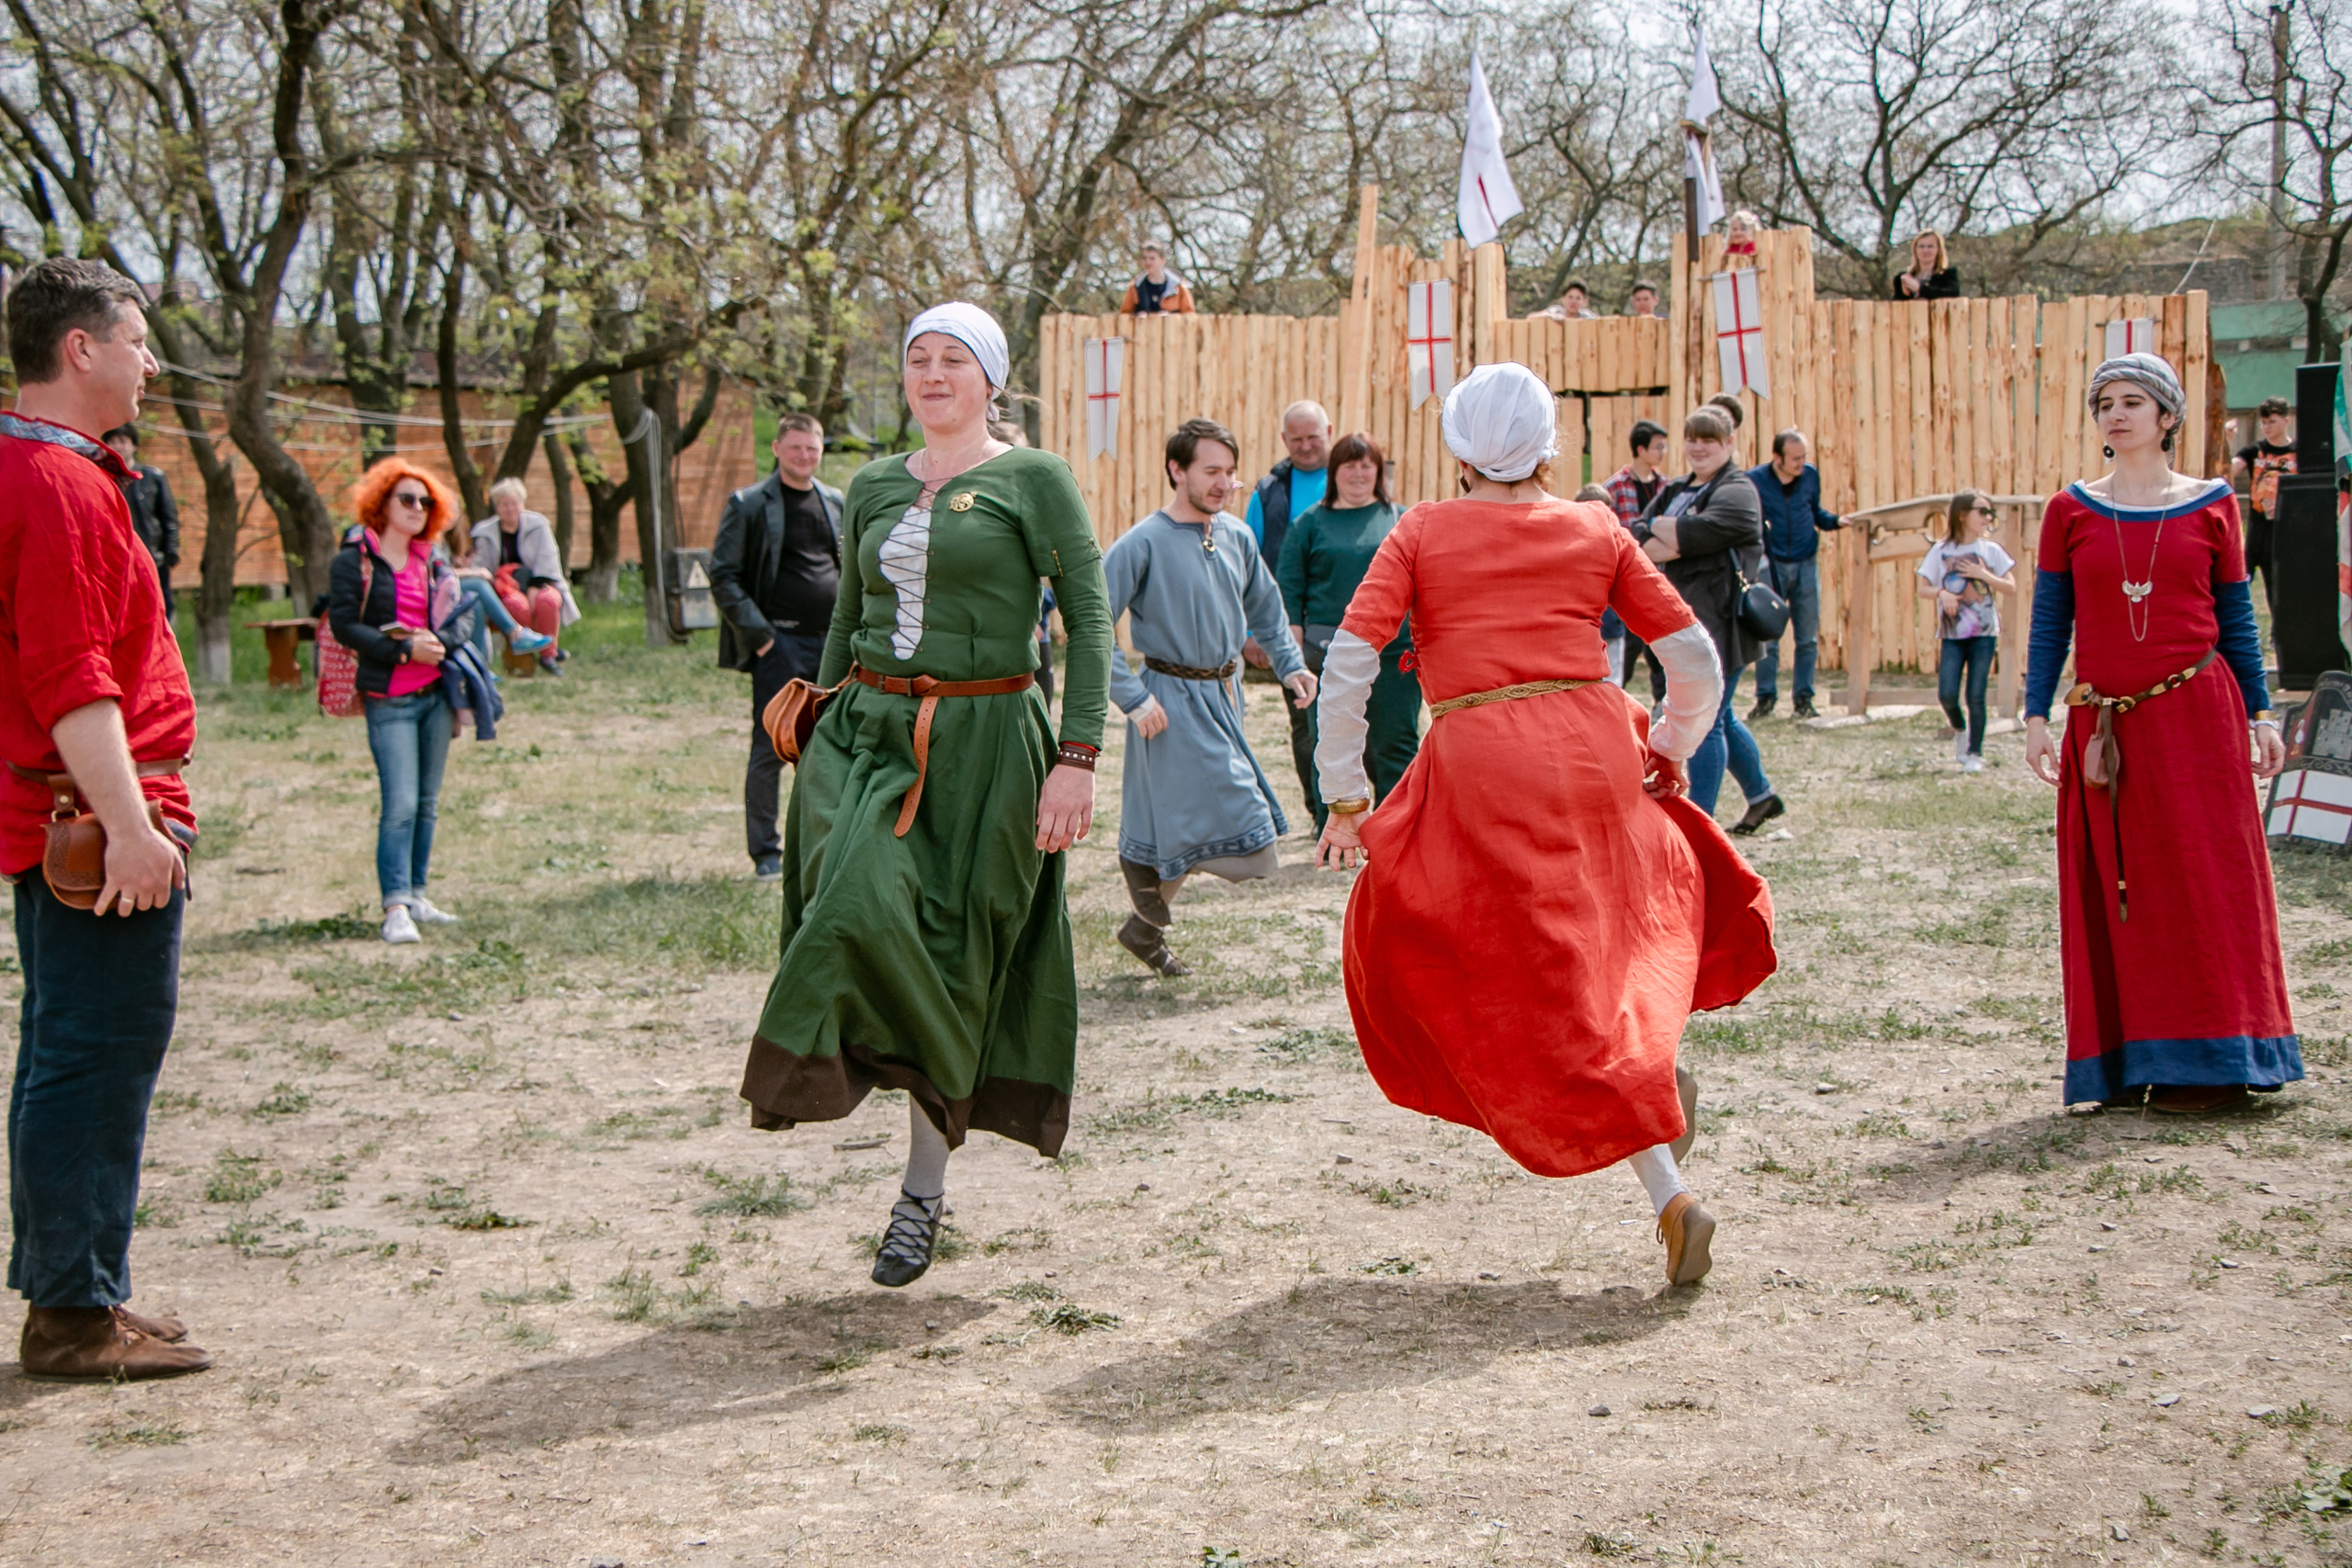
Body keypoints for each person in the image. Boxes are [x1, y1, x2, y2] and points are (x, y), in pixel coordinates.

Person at [1311, 361, 1777, 1288]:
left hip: (1485, 761)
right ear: (1547, 443)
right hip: (1598, 743)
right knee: (1612, 942)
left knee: (1540, 978)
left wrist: (1346, 797)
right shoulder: (1593, 525)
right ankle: (1656, 1086)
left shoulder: (1421, 530)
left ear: (1457, 448)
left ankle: (1667, 1186)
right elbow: (1691, 656)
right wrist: (1675, 744)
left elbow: (1349, 667)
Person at [737, 303, 1112, 1289]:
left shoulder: (1033, 479)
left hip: (988, 741)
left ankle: (920, 1192)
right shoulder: (866, 486)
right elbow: (847, 621)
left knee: (950, 954)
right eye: (917, 359)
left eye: (955, 359)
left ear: (990, 379)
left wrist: (1077, 756)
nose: (933, 373)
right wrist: (812, 729)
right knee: (860, 911)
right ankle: (852, 1093)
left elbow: (1086, 617)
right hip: (865, 735)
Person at [2, 258, 213, 1381]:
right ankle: (72, 1317)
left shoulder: (49, 469)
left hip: (81, 807)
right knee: (93, 1056)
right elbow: (72, 677)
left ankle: (80, 1289)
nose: (148, 363)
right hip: (94, 816)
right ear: (79, 349)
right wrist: (130, 826)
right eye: (136, 342)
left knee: (71, 1052)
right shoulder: (56, 484)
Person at [2023, 353, 2298, 1115]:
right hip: (2105, 722)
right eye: (2105, 402)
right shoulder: (2070, 510)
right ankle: (2124, 1062)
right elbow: (2052, 621)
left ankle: (2216, 1061)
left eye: (2134, 401)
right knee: (2123, 890)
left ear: (2168, 416)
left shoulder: (2214, 504)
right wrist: (2037, 715)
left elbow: (2238, 620)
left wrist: (2260, 712)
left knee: (2207, 884)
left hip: (2198, 717)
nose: (2116, 413)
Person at [1104, 418, 1316, 976]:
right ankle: (1140, 867)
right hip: (1167, 702)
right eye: (1211, 471)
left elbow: (1268, 613)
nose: (1223, 483)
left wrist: (1292, 668)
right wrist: (1131, 697)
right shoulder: (1143, 541)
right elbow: (1090, 624)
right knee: (1254, 847)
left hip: (1226, 695)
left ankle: (1144, 924)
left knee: (1189, 821)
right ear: (1178, 470)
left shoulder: (1236, 536)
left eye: (1229, 472)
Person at [328, 461, 482, 945]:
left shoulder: (433, 559)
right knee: (400, 804)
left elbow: (463, 614)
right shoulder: (356, 561)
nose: (419, 509)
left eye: (426, 502)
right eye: (408, 500)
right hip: (389, 699)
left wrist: (439, 641)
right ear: (382, 505)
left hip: (436, 696)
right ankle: (394, 907)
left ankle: (417, 894)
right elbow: (344, 625)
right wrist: (402, 649)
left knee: (428, 804)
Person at [1634, 407, 1781, 831]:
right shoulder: (1677, 487)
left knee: (1710, 721)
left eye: (1710, 440)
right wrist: (1675, 533)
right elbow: (1639, 536)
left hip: (1721, 623)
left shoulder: (1739, 490)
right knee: (1724, 716)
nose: (1699, 447)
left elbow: (1694, 534)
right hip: (1682, 618)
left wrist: (1675, 533)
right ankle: (1761, 796)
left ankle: (1700, 824)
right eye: (1693, 438)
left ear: (1730, 444)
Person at [710, 412, 844, 882]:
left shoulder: (835, 502)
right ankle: (766, 853)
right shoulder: (748, 504)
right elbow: (722, 575)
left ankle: (823, 844)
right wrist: (764, 639)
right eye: (795, 448)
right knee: (771, 747)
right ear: (777, 449)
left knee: (830, 748)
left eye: (812, 448)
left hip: (833, 644)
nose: (804, 456)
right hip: (779, 645)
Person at [1277, 432, 1420, 830]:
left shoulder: (1400, 521)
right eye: (1349, 465)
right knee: (1333, 745)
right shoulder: (1310, 524)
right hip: (1329, 654)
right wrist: (1294, 650)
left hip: (1395, 655)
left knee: (1397, 745)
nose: (1358, 473)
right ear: (1333, 472)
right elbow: (1288, 588)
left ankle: (1398, 830)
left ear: (1378, 471)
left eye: (1366, 465)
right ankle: (1333, 831)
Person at [1245, 400, 1332, 786]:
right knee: (1304, 724)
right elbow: (1249, 567)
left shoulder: (1352, 477)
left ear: (1329, 432)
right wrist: (1252, 633)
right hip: (1290, 628)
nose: (1306, 445)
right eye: (1296, 439)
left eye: (1314, 436)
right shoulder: (1268, 493)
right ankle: (1317, 811)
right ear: (1284, 440)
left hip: (1345, 621)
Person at [1747, 428, 1843, 721]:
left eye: (1803, 457)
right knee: (1768, 637)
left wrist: (1837, 521)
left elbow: (1815, 513)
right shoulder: (1755, 481)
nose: (1801, 463)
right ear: (1777, 457)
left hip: (1805, 562)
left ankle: (1803, 699)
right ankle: (1765, 698)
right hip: (1771, 565)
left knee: (1807, 637)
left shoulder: (1810, 476)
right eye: (1795, 458)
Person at [1917, 489, 2016, 774]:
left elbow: (2010, 586)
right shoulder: (1940, 550)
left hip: (1984, 633)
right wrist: (1942, 593)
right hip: (1952, 634)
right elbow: (1923, 587)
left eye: (1990, 512)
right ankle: (1959, 729)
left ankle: (1975, 752)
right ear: (1962, 514)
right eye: (1981, 511)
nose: (1988, 517)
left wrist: (1983, 575)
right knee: (1947, 693)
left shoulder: (1991, 550)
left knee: (1976, 693)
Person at [470, 479, 579, 676]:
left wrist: (535, 586)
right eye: (504, 504)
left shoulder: (538, 524)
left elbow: (548, 558)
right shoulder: (485, 532)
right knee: (516, 606)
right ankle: (525, 656)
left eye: (514, 503)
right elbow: (482, 566)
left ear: (522, 503)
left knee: (548, 601)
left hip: (537, 581)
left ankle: (548, 655)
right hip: (505, 586)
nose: (510, 508)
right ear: (497, 506)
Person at [1606, 422, 1674, 699]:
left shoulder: (1666, 486)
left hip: (1660, 573)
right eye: (1658, 447)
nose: (1663, 452)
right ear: (1641, 448)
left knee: (1660, 639)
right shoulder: (1615, 487)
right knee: (1629, 642)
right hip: (1629, 576)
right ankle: (1615, 693)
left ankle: (1661, 699)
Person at [440, 524, 553, 667]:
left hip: (449, 587)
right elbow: (436, 575)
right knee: (478, 584)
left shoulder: (447, 539)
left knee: (476, 603)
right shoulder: (427, 540)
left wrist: (459, 566)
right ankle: (515, 634)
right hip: (435, 592)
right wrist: (473, 572)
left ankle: (480, 667)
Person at [102, 423, 178, 618]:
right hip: (114, 556)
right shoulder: (101, 476)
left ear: (134, 445)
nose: (118, 446)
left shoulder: (152, 477)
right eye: (112, 441)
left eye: (122, 441)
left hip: (151, 555)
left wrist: (171, 551)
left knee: (158, 608)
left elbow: (168, 516)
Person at [2231, 395, 2295, 625]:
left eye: (2273, 422)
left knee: (2278, 589)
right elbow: (2227, 471)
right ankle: (2237, 627)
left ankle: (2280, 635)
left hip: (2285, 529)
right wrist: (2226, 441)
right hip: (2257, 528)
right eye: (2264, 423)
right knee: (2241, 581)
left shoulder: (2298, 452)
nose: (2267, 427)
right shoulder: (2254, 451)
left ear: (2287, 421)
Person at [1574, 482, 1629, 684]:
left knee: (1609, 679)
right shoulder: (1613, 542)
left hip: (1604, 622)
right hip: (1591, 623)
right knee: (1607, 679)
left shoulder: (1569, 542)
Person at [1120, 243, 1196, 315]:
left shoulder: (1179, 288)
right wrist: (1136, 317)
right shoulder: (1135, 287)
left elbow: (1189, 316)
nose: (1147, 262)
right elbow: (1124, 315)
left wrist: (1170, 318)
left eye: (1152, 258)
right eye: (1145, 258)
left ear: (1163, 260)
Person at [1894, 231, 1959, 300]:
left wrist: (1920, 289)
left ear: (1938, 250)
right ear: (1915, 250)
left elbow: (1953, 294)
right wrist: (1905, 293)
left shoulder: (1948, 274)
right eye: (1921, 246)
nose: (1925, 250)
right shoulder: (1905, 278)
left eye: (1930, 246)